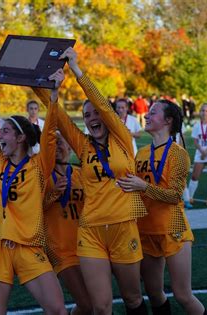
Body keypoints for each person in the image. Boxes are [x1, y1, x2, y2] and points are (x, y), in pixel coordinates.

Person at [31, 47, 148, 314]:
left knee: (132, 299)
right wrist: (41, 85)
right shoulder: (83, 147)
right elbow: (59, 118)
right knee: (100, 306)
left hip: (123, 227)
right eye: (87, 116)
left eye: (95, 114)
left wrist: (76, 69)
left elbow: (104, 106)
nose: (92, 118)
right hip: (91, 231)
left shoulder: (122, 140)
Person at [0, 61, 66, 314]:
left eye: (5, 131)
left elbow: (49, 133)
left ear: (21, 138)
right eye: (0, 131)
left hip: (30, 248)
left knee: (58, 310)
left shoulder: (39, 165)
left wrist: (54, 95)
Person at [117, 99, 206, 314]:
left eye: (153, 112)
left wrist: (144, 186)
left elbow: (175, 196)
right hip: (145, 230)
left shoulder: (178, 153)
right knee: (154, 292)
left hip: (172, 229)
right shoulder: (142, 153)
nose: (146, 116)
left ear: (168, 120)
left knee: (183, 295)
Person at [43, 132, 92, 315]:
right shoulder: (43, 176)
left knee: (93, 302)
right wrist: (53, 194)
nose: (57, 147)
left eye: (60, 143)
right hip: (60, 248)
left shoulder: (81, 173)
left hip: (87, 246)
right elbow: (32, 210)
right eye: (53, 144)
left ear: (70, 147)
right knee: (88, 304)